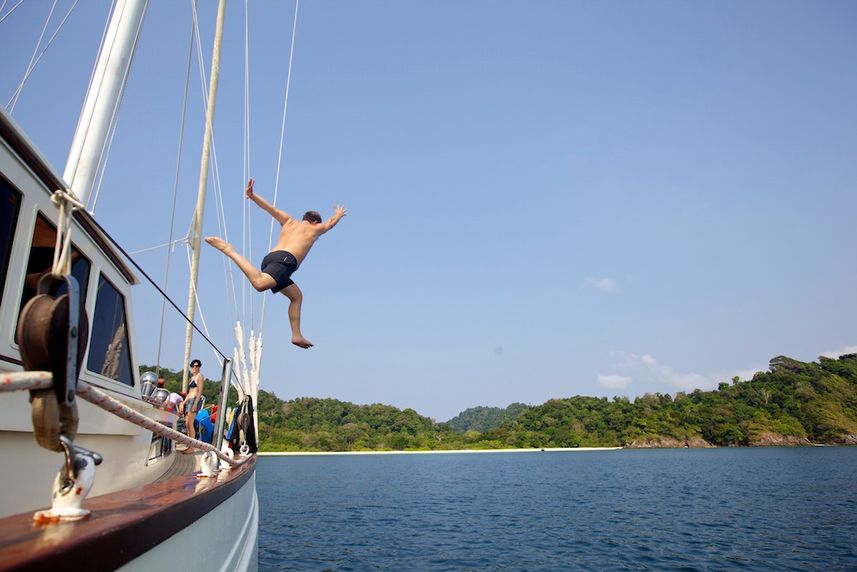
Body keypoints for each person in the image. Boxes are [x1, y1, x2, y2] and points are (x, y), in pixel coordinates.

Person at [205, 178, 346, 349]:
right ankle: (229, 250)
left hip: (271, 258)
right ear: (315, 221)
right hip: (285, 261)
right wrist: (338, 215)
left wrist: (253, 196)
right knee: (259, 283)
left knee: (296, 297)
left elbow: (270, 209)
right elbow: (330, 224)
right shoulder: (314, 229)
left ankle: (296, 335)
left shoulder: (288, 221)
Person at [179, 359, 204, 440]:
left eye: (197, 366)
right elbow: (189, 393)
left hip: (194, 400)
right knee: (187, 423)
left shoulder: (199, 376)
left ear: (199, 367)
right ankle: (189, 443)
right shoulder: (192, 378)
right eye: (193, 366)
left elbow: (199, 391)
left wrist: (195, 404)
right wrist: (183, 402)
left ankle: (191, 446)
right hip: (190, 400)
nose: (194, 367)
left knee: (190, 423)